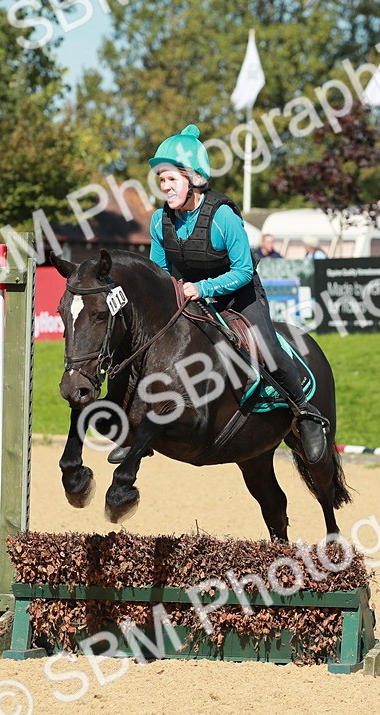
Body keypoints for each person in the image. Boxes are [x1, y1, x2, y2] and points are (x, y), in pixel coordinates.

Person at [138, 124, 328, 463]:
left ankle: (306, 413)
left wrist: (203, 288)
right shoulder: (158, 222)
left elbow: (242, 271)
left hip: (240, 296)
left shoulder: (222, 216)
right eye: (162, 180)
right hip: (191, 296)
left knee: (267, 349)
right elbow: (159, 272)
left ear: (194, 177)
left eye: (171, 179)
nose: (165, 188)